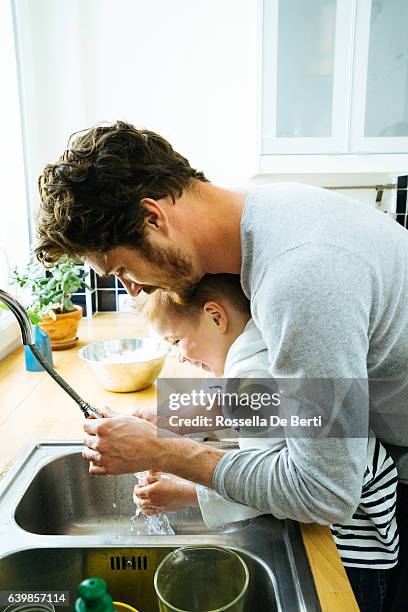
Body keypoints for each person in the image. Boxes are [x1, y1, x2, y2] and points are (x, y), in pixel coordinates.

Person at [35, 121, 408, 610]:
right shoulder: (269, 217)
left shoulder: (301, 277)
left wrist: (165, 452)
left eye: (123, 270)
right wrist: (177, 414)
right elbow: (305, 401)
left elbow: (324, 493)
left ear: (152, 218)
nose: (134, 289)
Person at [133, 274, 399, 611]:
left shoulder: (251, 372)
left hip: (353, 541)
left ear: (216, 316)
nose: (179, 358)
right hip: (367, 503)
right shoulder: (259, 342)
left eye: (175, 341)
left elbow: (267, 484)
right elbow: (243, 407)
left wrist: (184, 492)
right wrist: (167, 417)